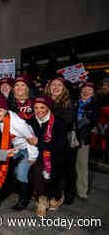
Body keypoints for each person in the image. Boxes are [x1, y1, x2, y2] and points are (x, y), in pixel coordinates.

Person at [0, 94, 38, 211]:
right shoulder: (3, 120)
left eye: (0, 110)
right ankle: (7, 191)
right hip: (16, 148)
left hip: (28, 148)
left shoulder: (17, 123)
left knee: (21, 171)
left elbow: (32, 140)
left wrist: (32, 158)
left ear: (6, 110)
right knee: (3, 164)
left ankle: (24, 199)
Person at [28, 95, 66, 217]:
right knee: (38, 172)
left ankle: (58, 195)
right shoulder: (31, 120)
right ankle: (42, 201)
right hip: (38, 155)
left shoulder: (58, 122)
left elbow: (60, 145)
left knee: (53, 178)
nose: (38, 111)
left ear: (48, 108)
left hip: (55, 156)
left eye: (42, 107)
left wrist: (39, 143)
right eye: (36, 107)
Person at [44, 75, 76, 205]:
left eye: (59, 85)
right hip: (50, 140)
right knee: (54, 169)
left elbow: (68, 120)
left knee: (68, 169)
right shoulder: (45, 100)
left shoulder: (69, 102)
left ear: (64, 88)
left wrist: (51, 111)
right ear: (49, 87)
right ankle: (55, 193)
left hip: (65, 141)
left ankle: (69, 194)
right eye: (53, 85)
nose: (56, 87)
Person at [73, 82, 99, 200]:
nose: (86, 92)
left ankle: (82, 191)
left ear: (93, 94)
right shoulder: (74, 103)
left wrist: (75, 124)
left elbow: (92, 121)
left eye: (89, 90)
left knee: (82, 166)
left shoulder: (94, 106)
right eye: (84, 89)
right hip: (70, 137)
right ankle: (69, 189)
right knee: (69, 165)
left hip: (83, 139)